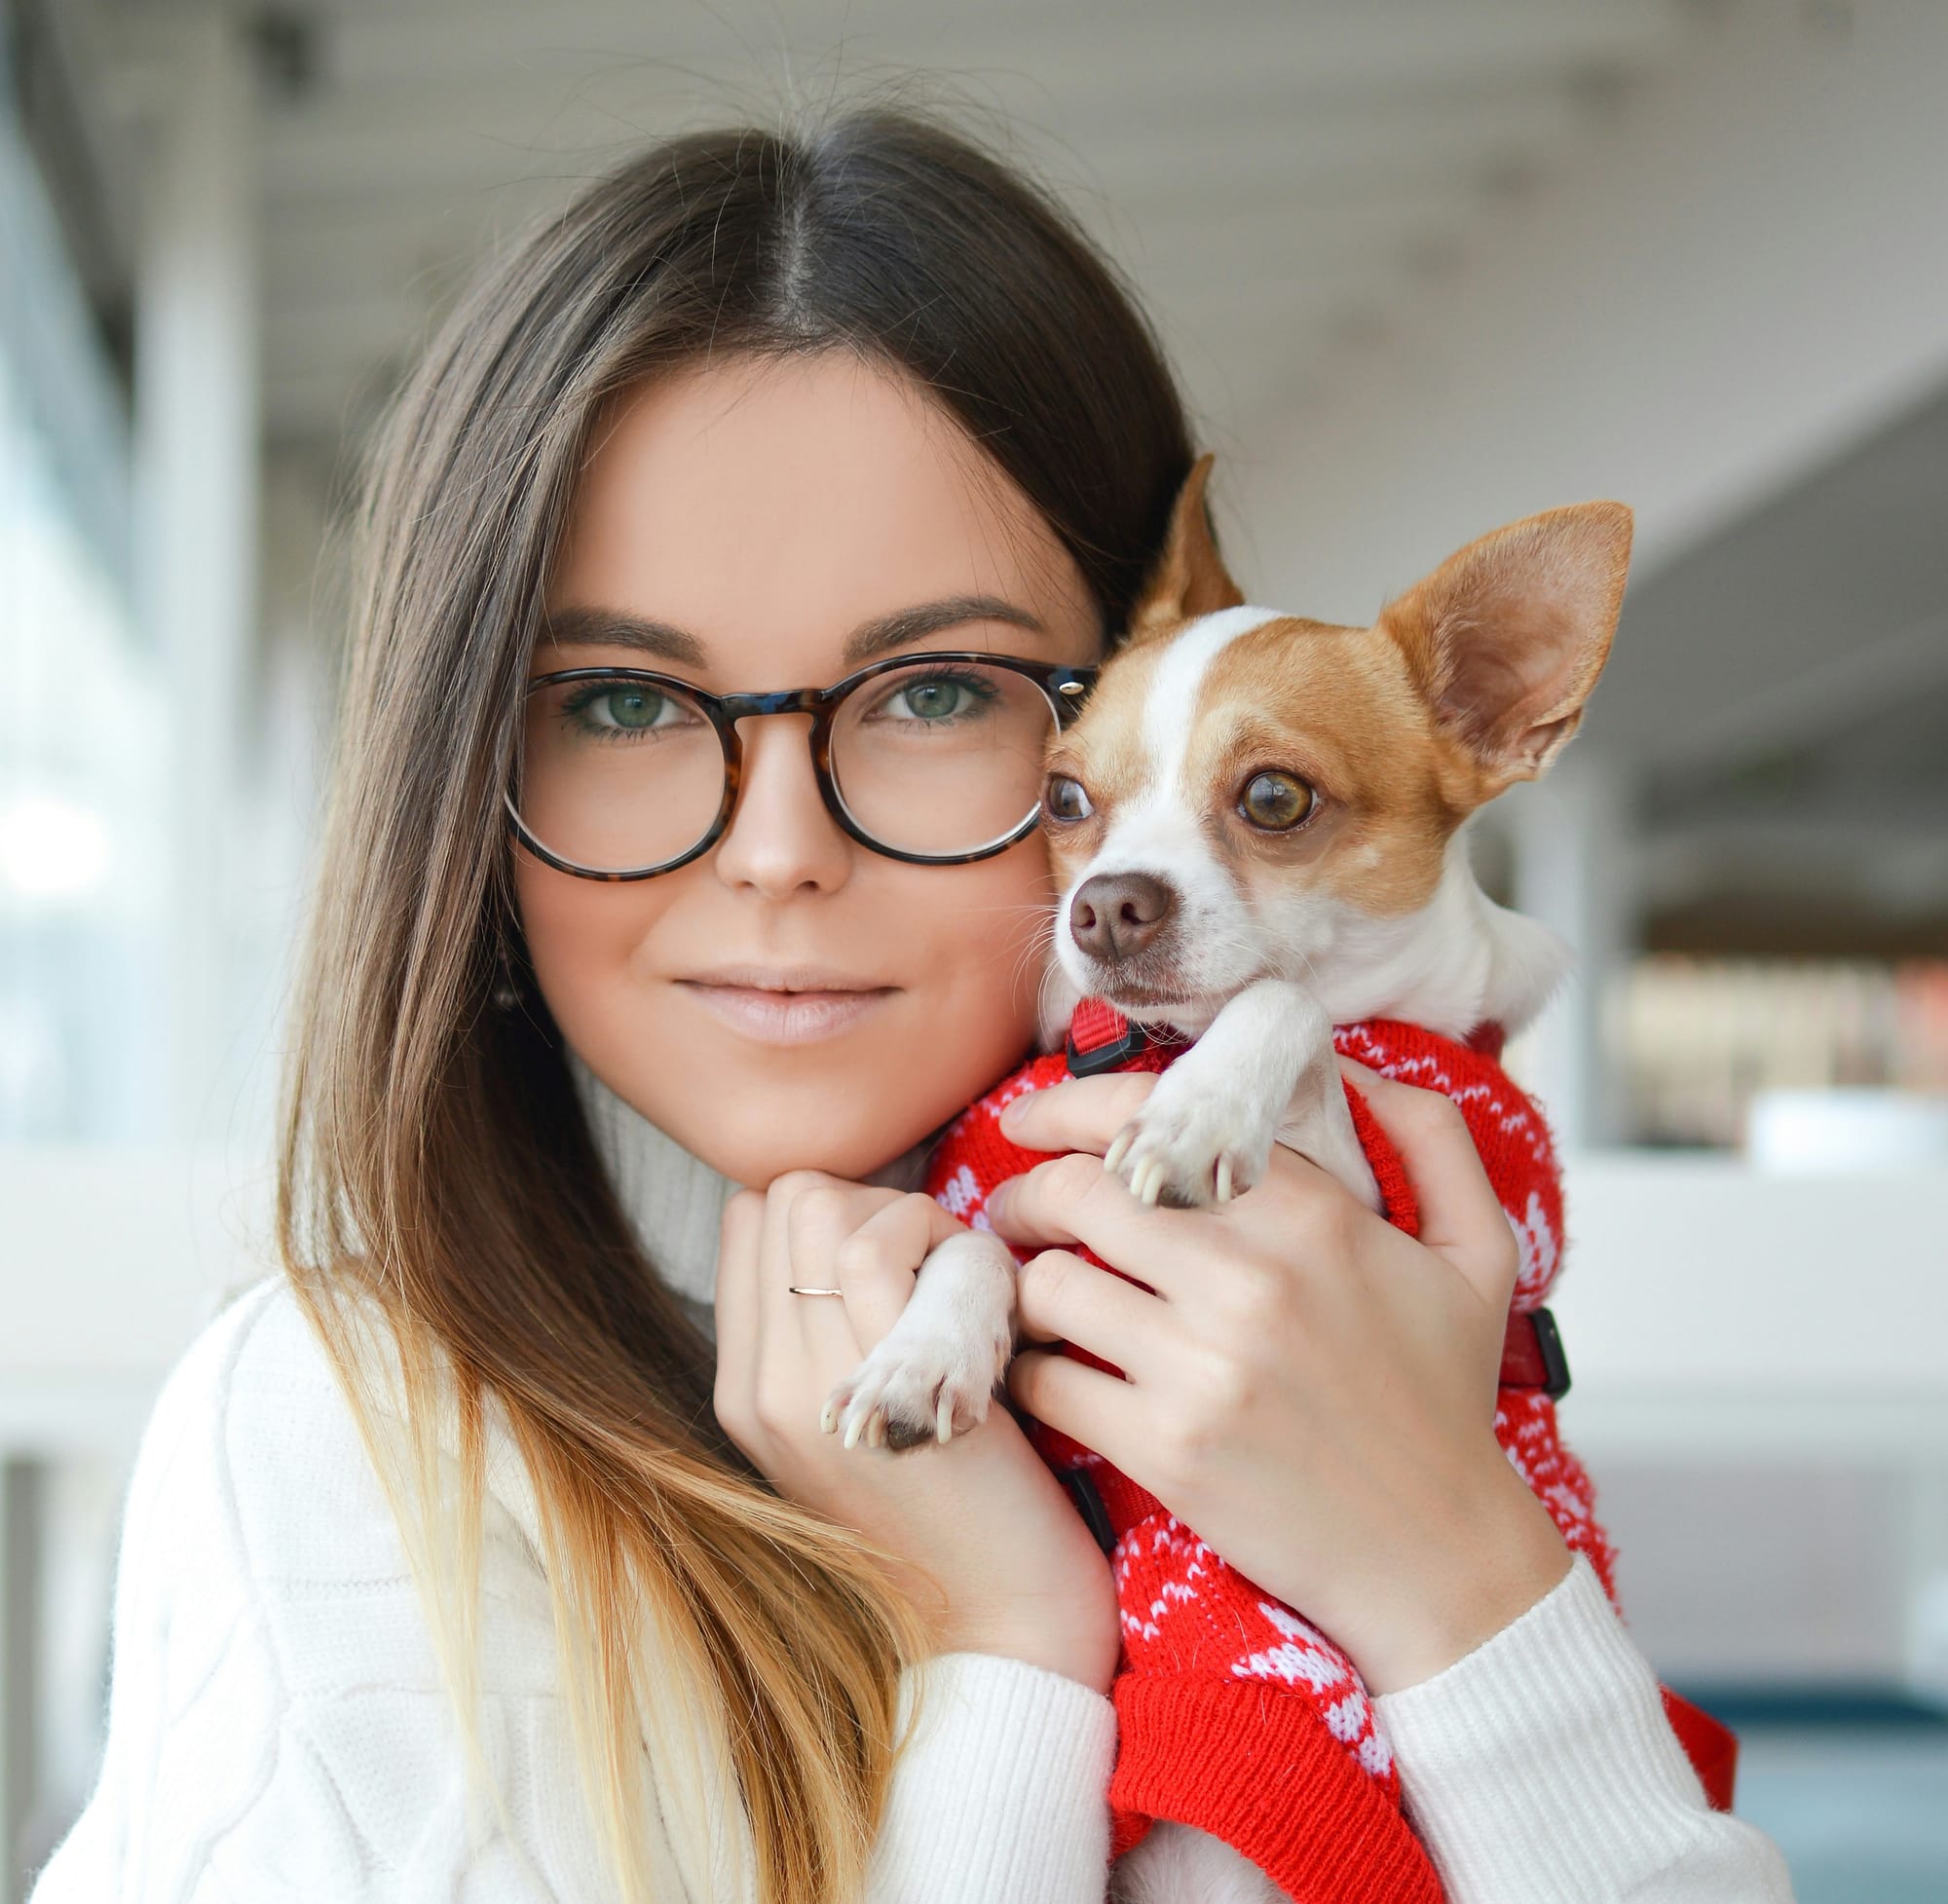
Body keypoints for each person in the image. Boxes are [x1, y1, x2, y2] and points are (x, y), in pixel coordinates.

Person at [28, 99, 1795, 1904]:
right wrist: (1010, 1642)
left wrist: (1457, 1571)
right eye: (627, 704)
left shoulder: (1382, 1317)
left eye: (938, 691)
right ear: (459, 770)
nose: (779, 848)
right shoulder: (346, 1457)